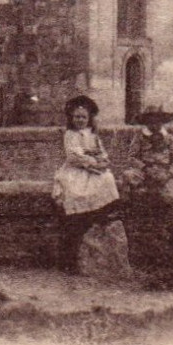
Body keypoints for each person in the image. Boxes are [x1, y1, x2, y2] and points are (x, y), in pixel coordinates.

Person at [52, 94, 122, 271]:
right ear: (71, 118)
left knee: (107, 178)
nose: (80, 120)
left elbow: (102, 152)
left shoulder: (93, 135)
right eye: (77, 117)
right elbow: (73, 156)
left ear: (89, 118)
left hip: (93, 169)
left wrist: (102, 161)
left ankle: (100, 213)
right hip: (77, 170)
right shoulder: (70, 135)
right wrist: (91, 162)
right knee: (75, 191)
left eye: (84, 117)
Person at [125, 105, 173, 262]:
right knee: (130, 183)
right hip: (145, 171)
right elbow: (131, 157)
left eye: (159, 121)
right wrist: (145, 167)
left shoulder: (169, 139)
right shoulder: (139, 136)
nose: (155, 124)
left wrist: (169, 174)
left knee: (170, 199)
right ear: (146, 122)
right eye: (151, 121)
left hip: (163, 173)